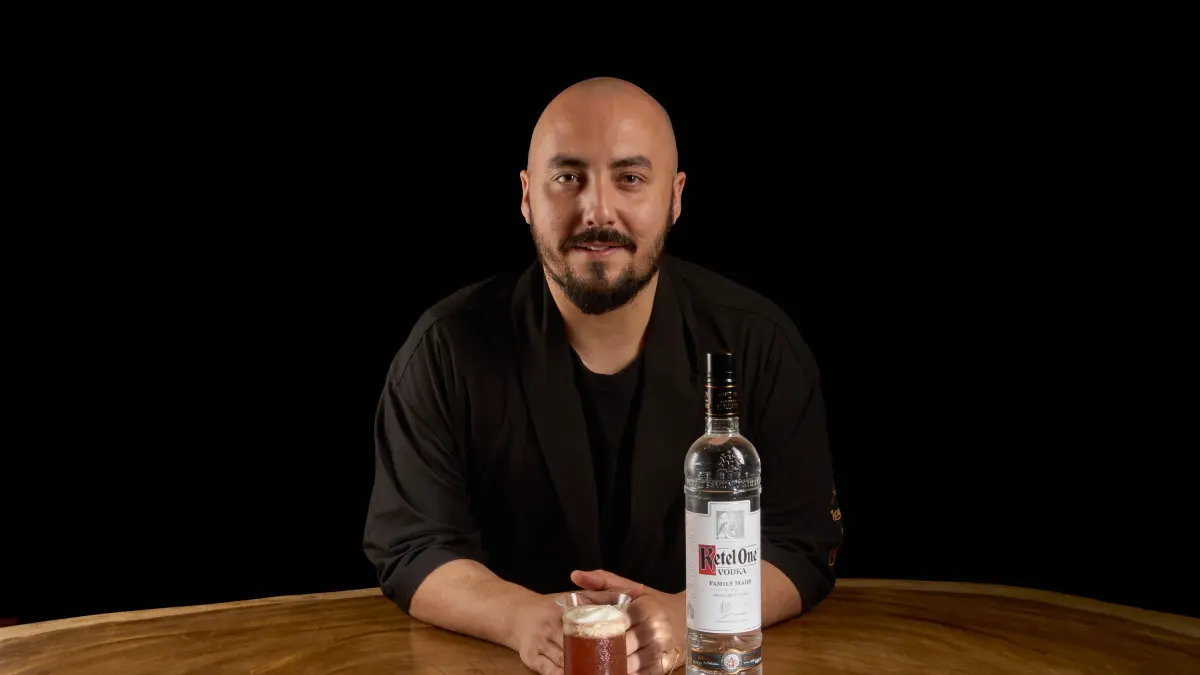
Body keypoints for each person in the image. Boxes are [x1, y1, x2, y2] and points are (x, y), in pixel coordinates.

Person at [363, 76, 843, 674]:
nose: (596, 211)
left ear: (675, 197)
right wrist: (523, 618)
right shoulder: (443, 351)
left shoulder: (760, 345)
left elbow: (800, 546)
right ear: (527, 196)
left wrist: (689, 614)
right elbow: (413, 546)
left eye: (630, 178)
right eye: (568, 178)